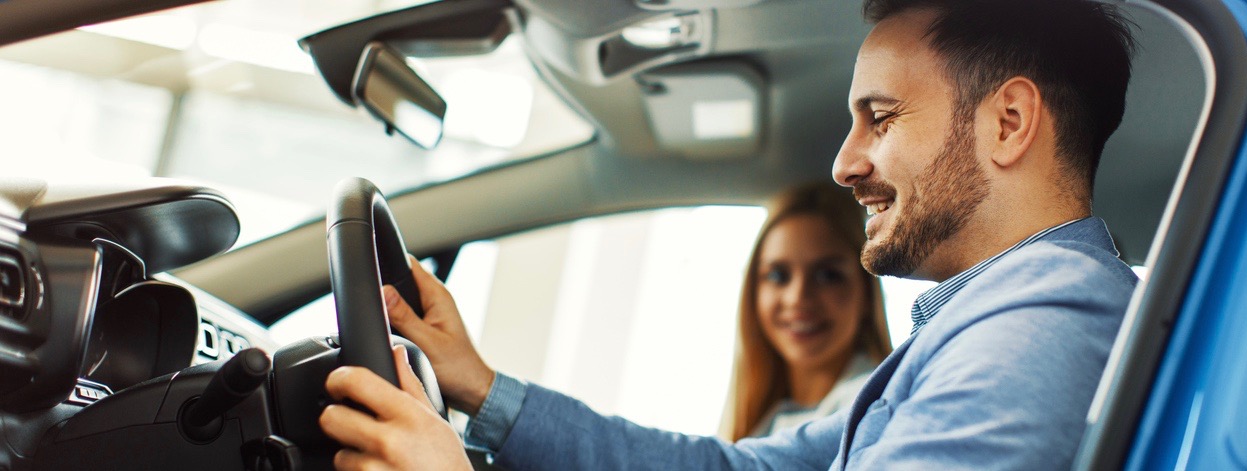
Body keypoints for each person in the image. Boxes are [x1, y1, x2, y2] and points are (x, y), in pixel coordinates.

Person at [318, 0, 1141, 469]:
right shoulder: (989, 321)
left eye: (880, 118)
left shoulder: (1043, 326)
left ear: (1009, 122)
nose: (845, 162)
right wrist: (482, 387)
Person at [723, 181, 891, 441]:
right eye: (778, 275)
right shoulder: (764, 418)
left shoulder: (876, 408)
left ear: (867, 294)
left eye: (827, 275)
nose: (798, 298)